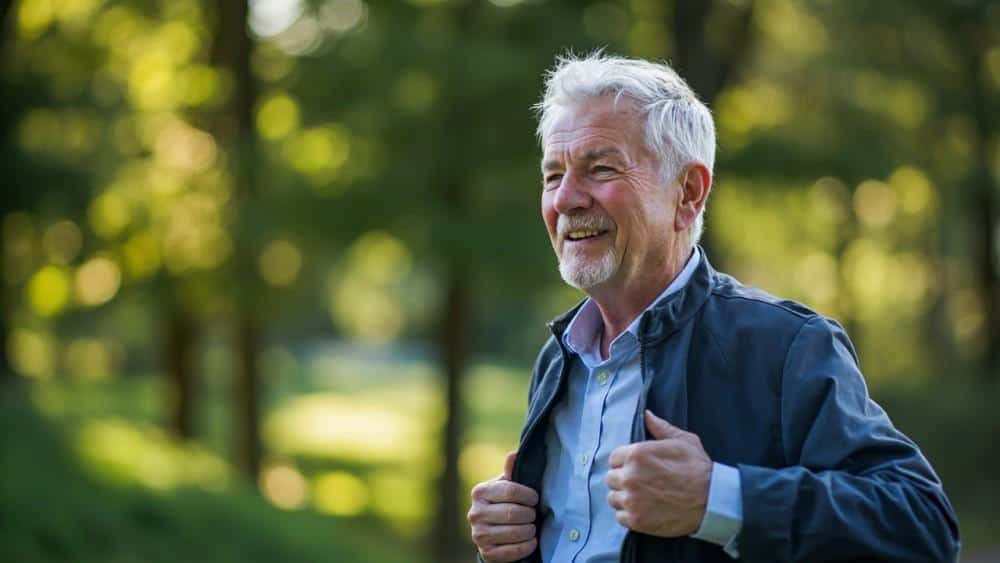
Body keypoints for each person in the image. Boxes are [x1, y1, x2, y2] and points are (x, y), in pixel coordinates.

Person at [466, 53, 960, 563]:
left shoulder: (787, 345)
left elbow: (922, 526)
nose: (565, 198)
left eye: (600, 169)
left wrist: (717, 500)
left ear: (688, 194)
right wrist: (509, 542)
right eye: (552, 176)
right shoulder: (557, 359)